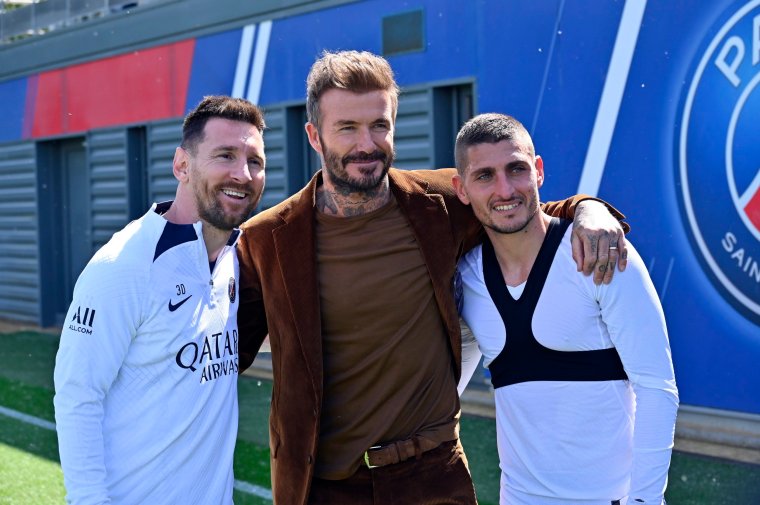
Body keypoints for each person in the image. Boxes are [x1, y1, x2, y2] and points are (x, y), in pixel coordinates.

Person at [236, 50, 629, 505]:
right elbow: (224, 353)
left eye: (379, 125)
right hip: (323, 487)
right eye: (347, 128)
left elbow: (519, 210)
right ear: (314, 136)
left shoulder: (439, 204)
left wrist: (587, 208)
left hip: (432, 478)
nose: (367, 143)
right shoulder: (267, 240)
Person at [453, 113, 679, 505]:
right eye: (485, 176)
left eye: (517, 169)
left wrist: (645, 500)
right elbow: (446, 387)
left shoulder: (599, 252)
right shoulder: (467, 279)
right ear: (461, 189)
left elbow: (657, 387)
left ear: (538, 170)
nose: (505, 189)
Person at [53, 95, 266, 504]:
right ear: (182, 165)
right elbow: (78, 396)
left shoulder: (236, 259)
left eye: (254, 161)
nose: (242, 173)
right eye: (225, 155)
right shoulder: (123, 265)